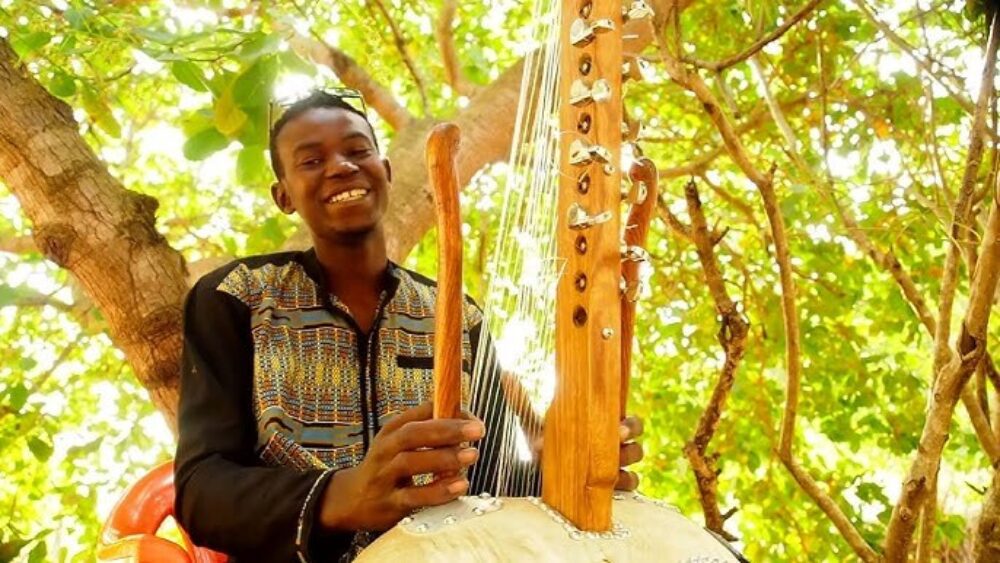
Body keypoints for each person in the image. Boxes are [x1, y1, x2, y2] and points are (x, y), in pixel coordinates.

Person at [173, 90, 645, 563]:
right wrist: (341, 496)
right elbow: (201, 491)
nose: (341, 167)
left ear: (386, 170)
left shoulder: (457, 314)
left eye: (358, 151)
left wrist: (558, 468)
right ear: (283, 196)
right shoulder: (237, 296)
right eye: (311, 160)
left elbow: (493, 486)